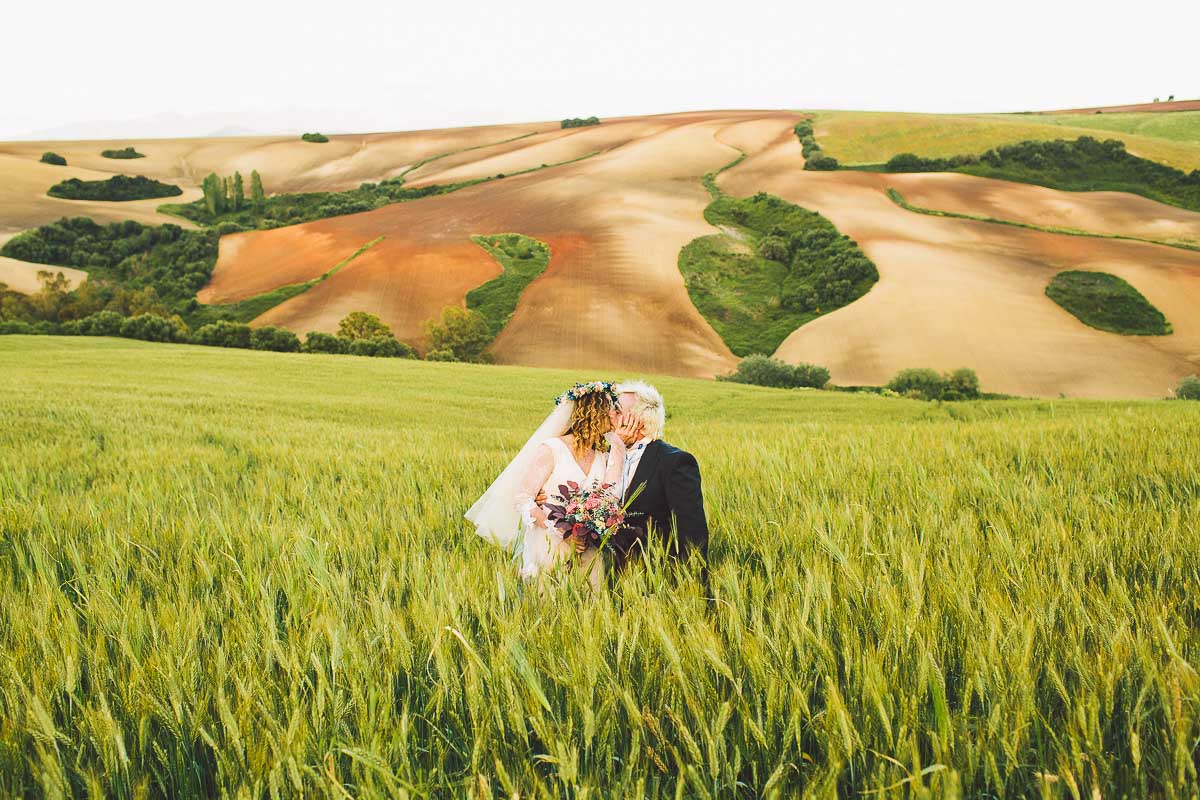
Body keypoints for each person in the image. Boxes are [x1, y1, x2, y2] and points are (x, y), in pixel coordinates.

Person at [465, 382, 627, 588]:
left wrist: (590, 526)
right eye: (612, 410)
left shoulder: (603, 456)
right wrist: (563, 533)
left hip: (588, 548)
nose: (616, 416)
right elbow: (523, 498)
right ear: (595, 412)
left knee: (589, 605)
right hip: (549, 543)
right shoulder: (553, 449)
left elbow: (609, 498)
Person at [606, 381, 710, 592]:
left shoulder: (674, 461)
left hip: (655, 579)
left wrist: (691, 587)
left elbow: (691, 531)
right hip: (609, 579)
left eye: (617, 410)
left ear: (638, 419)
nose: (608, 414)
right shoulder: (605, 457)